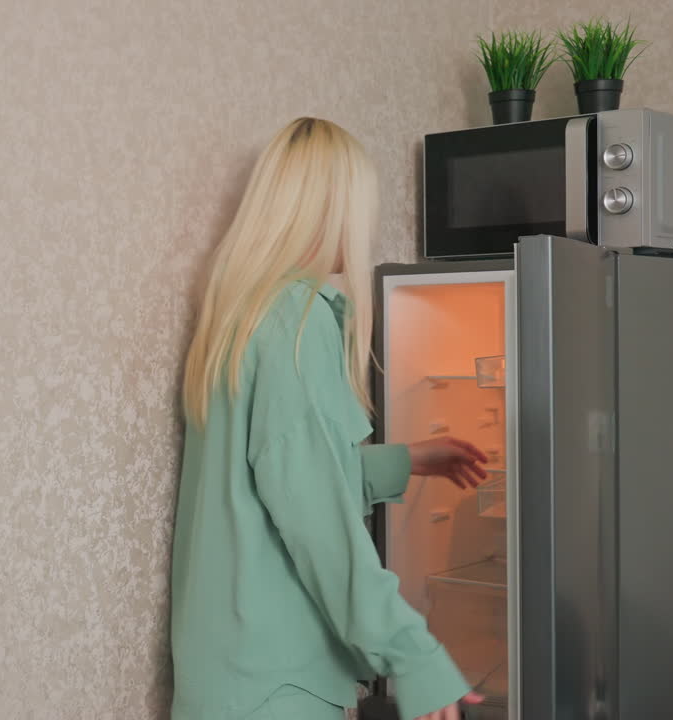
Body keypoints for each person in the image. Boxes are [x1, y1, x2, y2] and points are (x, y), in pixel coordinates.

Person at [171, 117, 488, 720]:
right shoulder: (297, 320)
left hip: (226, 673)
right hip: (277, 682)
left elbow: (279, 469)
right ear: (332, 210)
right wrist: (413, 655)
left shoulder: (239, 314)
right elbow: (318, 520)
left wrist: (408, 459)